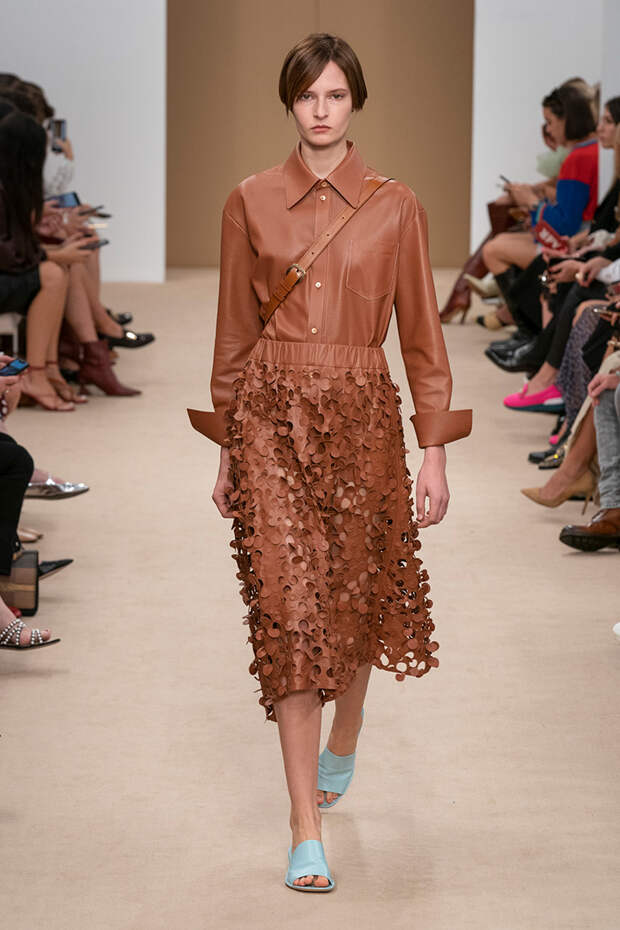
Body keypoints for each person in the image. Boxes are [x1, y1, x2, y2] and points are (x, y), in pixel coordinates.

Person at [189, 33, 472, 892]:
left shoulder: (396, 206)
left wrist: (433, 452)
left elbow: (421, 336)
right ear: (290, 102)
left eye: (336, 94)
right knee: (289, 614)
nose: (321, 110)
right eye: (308, 95)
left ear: (355, 103)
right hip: (271, 421)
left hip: (362, 423)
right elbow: (234, 333)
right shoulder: (248, 200)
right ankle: (303, 826)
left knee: (352, 606)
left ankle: (345, 737)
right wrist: (227, 447)